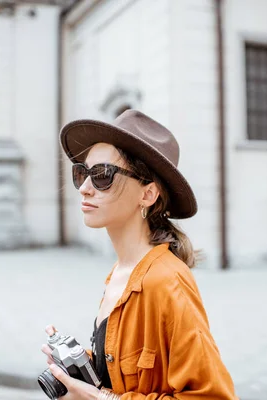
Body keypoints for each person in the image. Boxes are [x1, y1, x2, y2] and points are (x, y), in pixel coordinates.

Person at [41, 110, 238, 400]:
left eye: (102, 175)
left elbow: (214, 397)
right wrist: (81, 370)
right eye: (82, 173)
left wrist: (99, 398)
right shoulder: (119, 272)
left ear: (148, 194)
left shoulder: (166, 281)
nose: (84, 188)